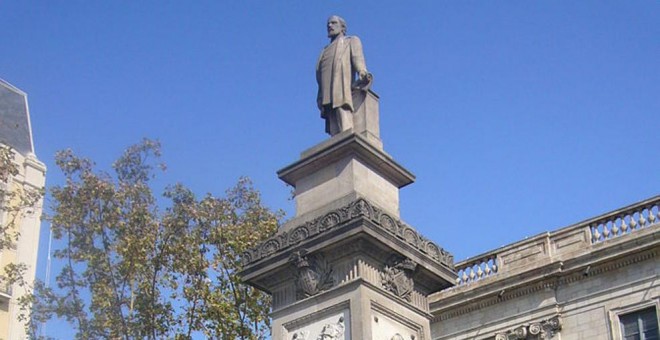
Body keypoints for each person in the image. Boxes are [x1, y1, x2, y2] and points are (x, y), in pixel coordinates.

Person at [316, 15, 370, 136]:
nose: (330, 26)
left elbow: (358, 59)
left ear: (342, 27)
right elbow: (319, 74)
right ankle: (336, 142)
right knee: (331, 115)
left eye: (333, 23)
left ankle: (347, 138)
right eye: (328, 24)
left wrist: (362, 72)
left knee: (342, 110)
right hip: (326, 89)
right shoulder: (324, 51)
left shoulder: (351, 41)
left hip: (340, 86)